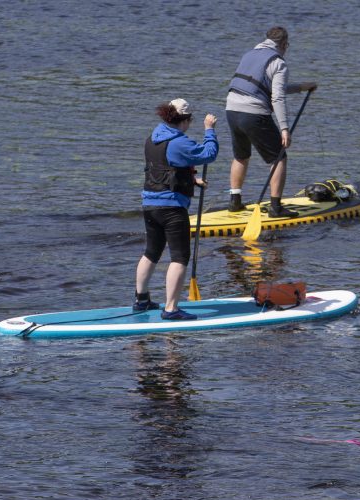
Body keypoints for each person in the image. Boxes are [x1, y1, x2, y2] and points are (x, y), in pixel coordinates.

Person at [136, 98, 218, 321]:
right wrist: (209, 130)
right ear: (185, 120)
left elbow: (165, 169)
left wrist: (192, 180)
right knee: (180, 257)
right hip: (171, 208)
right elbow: (208, 154)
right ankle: (171, 309)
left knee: (151, 252)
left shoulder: (152, 139)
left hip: (150, 205)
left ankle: (141, 300)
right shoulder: (179, 142)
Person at [224, 26, 317, 218]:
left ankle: (235, 202)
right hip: (254, 113)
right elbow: (277, 98)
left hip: (231, 109)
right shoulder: (278, 63)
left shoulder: (249, 54)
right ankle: (276, 208)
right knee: (279, 158)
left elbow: (265, 87)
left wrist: (302, 87)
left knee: (241, 155)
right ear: (284, 44)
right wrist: (284, 128)